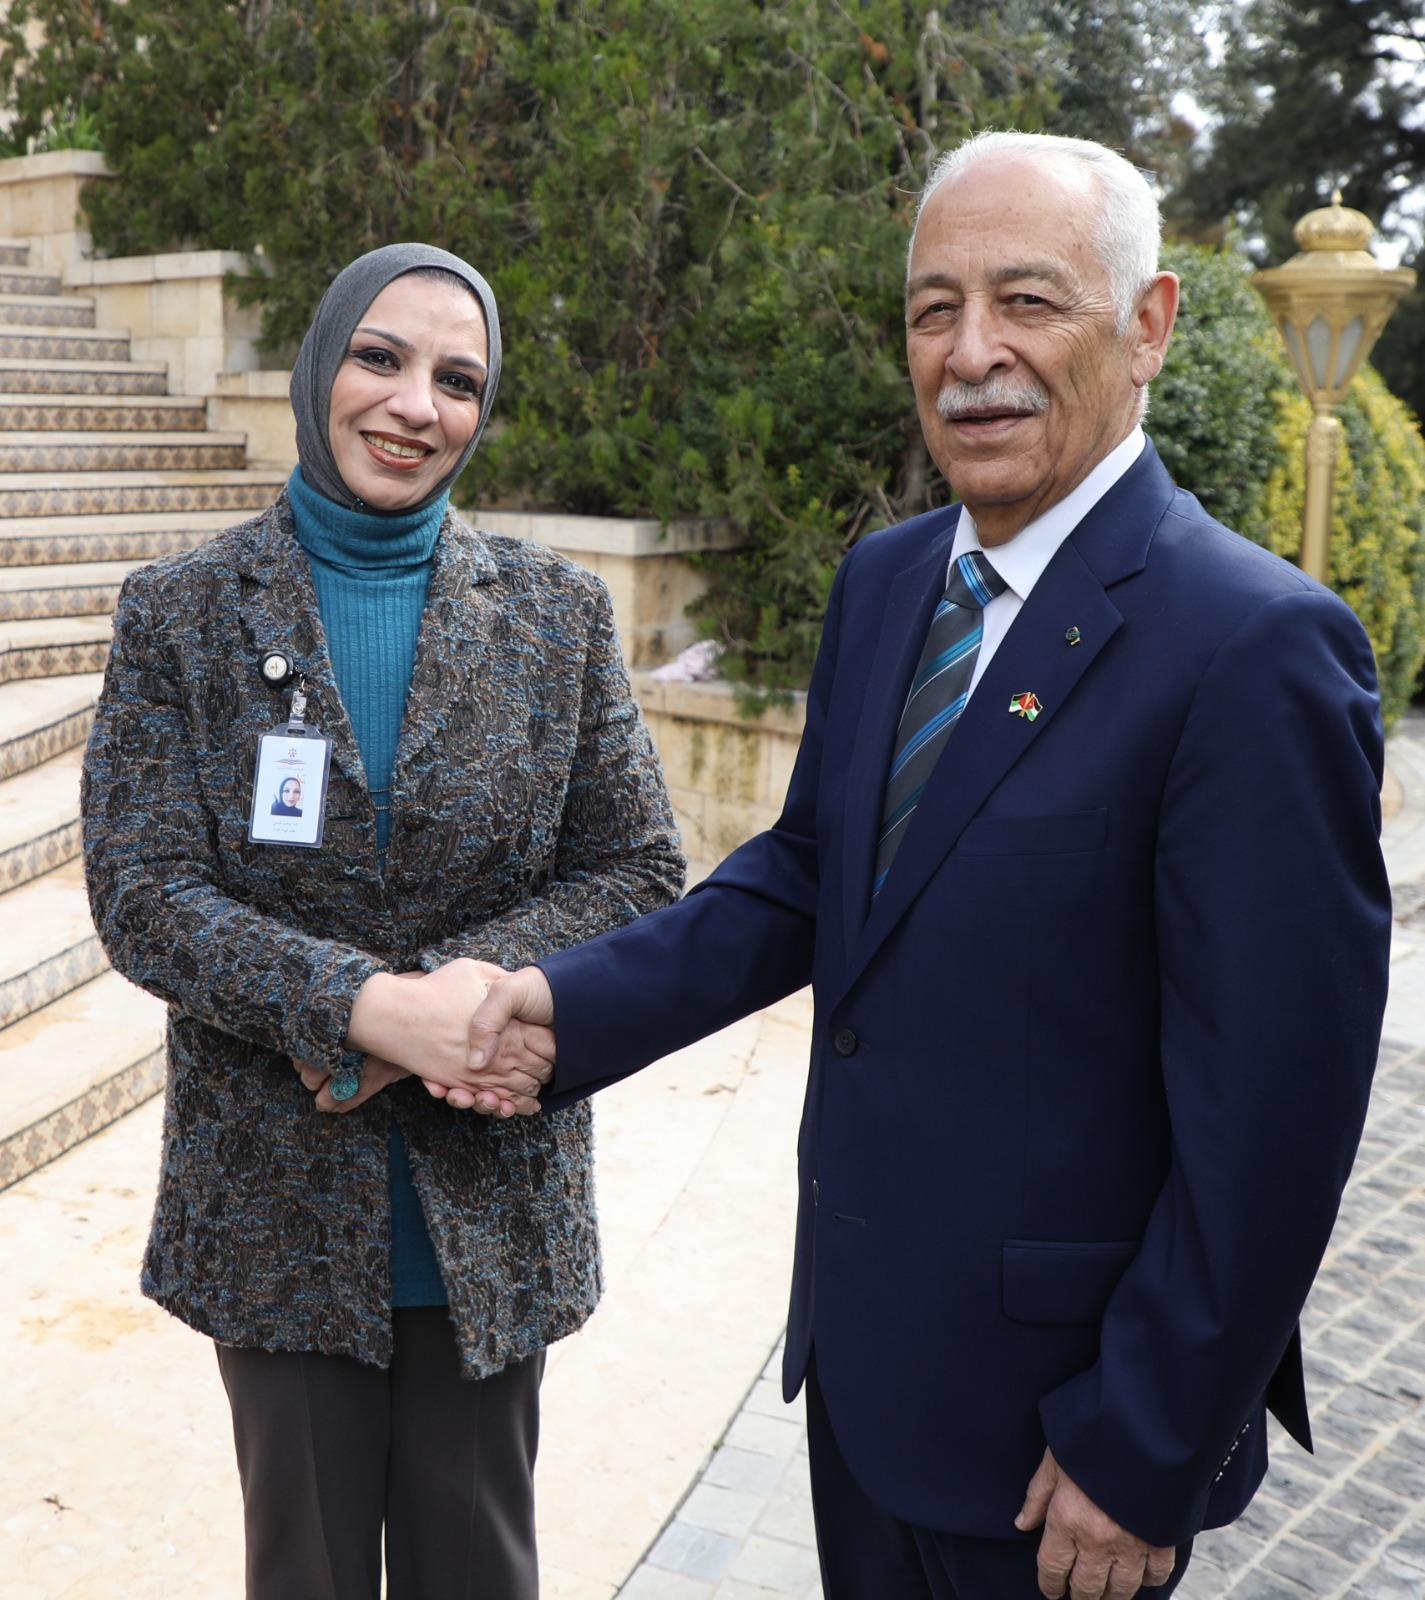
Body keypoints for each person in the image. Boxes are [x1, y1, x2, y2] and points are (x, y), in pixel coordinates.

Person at [451, 133, 1393, 1600]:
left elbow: (1275, 1121)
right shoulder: (889, 582)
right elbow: (810, 874)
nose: (970, 354)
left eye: (1028, 301)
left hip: (1062, 1448)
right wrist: (564, 1007)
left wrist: (1144, 1441)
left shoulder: (1253, 646)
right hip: (866, 1381)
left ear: (1147, 326)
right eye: (932, 309)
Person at [81, 242, 683, 1600]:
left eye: (458, 380)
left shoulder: (558, 616)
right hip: (273, 1206)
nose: (417, 405)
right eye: (381, 357)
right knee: (304, 1572)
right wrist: (363, 1008)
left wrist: (437, 1014)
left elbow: (641, 869)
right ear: (319, 367)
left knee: (478, 1571)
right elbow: (144, 891)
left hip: (492, 1196)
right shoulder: (180, 612)